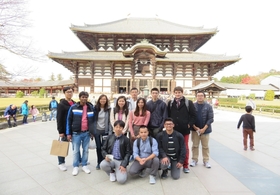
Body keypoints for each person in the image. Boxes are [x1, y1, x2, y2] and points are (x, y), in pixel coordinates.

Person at [167, 86, 196, 173]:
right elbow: (168, 115)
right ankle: (173, 163)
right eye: (176, 92)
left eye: (179, 92)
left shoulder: (188, 102)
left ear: (182, 93)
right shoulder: (170, 103)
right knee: (173, 146)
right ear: (174, 93)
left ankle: (185, 165)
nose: (177, 94)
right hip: (174, 129)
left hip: (184, 129)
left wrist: (189, 124)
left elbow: (193, 115)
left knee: (185, 147)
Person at [66, 91, 95, 176]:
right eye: (82, 97)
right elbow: (68, 120)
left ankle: (84, 165)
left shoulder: (90, 107)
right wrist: (68, 133)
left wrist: (92, 131)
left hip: (86, 133)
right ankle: (75, 166)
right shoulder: (74, 107)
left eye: (86, 97)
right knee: (76, 151)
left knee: (86, 150)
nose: (84, 98)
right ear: (79, 98)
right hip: (76, 133)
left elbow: (93, 121)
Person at [191, 91, 214, 169]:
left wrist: (204, 128)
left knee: (205, 146)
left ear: (204, 97)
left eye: (201, 95)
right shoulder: (193, 106)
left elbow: (211, 118)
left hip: (206, 130)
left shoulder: (208, 106)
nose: (200, 97)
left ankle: (206, 160)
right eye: (198, 95)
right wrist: (194, 127)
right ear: (196, 97)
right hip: (195, 130)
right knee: (195, 146)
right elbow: (190, 118)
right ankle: (194, 159)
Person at [56, 86, 76, 171]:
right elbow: (59, 118)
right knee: (62, 146)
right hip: (65, 129)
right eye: (68, 92)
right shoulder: (61, 104)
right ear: (64, 93)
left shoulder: (75, 103)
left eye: (71, 92)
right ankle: (61, 163)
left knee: (76, 146)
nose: (69, 93)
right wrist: (60, 131)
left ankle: (78, 160)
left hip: (74, 128)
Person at [93, 94, 112, 170]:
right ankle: (99, 162)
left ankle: (105, 161)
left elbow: (110, 121)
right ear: (99, 100)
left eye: (104, 99)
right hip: (97, 130)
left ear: (106, 100)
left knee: (104, 147)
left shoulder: (109, 109)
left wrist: (110, 132)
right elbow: (92, 120)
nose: (103, 100)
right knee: (98, 147)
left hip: (105, 130)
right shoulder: (95, 108)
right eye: (101, 99)